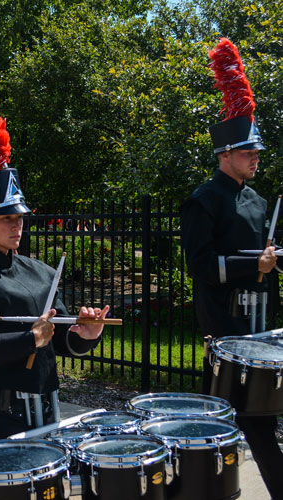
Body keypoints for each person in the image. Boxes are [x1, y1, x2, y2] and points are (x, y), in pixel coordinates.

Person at [0, 74, 109, 443]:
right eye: (6, 218)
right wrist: (28, 340)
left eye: (20, 218)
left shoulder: (42, 273)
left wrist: (86, 334)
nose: (17, 226)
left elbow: (60, 341)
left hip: (47, 401)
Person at [181, 38, 283, 500]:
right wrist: (252, 266)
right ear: (224, 155)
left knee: (222, 420)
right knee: (253, 422)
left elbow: (267, 257)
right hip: (226, 324)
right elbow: (199, 265)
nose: (255, 157)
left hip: (261, 324)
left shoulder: (260, 200)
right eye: (247, 152)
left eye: (256, 152)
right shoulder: (204, 200)